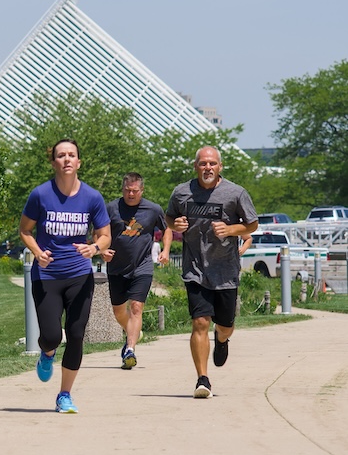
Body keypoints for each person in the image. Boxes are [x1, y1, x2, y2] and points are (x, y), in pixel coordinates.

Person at [19, 139, 111, 414]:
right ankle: (47, 353)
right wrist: (37, 252)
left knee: (76, 334)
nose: (67, 159)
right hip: (47, 276)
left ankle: (64, 395)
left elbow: (105, 235)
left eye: (72, 155)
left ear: (79, 162)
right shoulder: (40, 195)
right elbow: (25, 230)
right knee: (50, 336)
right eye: (61, 155)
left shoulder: (92, 197)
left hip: (79, 276)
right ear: (54, 162)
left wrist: (94, 248)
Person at [166, 146, 258, 399]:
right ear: (195, 166)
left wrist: (231, 230)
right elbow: (170, 217)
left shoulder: (235, 193)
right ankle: (202, 379)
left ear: (220, 167)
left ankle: (222, 339)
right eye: (203, 163)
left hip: (226, 270)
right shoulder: (182, 192)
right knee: (200, 322)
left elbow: (252, 224)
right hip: (195, 269)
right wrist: (176, 224)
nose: (208, 167)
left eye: (212, 163)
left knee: (225, 325)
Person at [101, 172, 172, 370]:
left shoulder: (153, 209)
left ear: (142, 190)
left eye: (134, 191)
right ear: (122, 189)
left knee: (136, 307)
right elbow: (99, 232)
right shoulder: (111, 208)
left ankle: (130, 349)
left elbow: (167, 229)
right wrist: (102, 250)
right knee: (118, 311)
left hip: (142, 266)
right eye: (127, 190)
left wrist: (166, 250)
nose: (130, 194)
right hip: (116, 268)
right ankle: (132, 331)